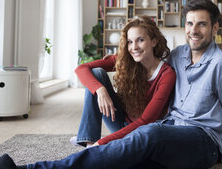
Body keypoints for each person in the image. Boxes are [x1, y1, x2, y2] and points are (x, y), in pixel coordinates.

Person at [0, 0, 222, 169]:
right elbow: (138, 59)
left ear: (215, 28)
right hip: (170, 130)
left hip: (204, 140)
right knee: (128, 155)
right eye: (189, 24)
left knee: (146, 135)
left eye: (201, 24)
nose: (193, 30)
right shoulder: (177, 55)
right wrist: (104, 82)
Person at [70, 16, 176, 148]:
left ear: (154, 41)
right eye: (130, 42)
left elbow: (146, 120)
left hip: (142, 131)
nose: (134, 47)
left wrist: (102, 142)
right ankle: (89, 144)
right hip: (119, 122)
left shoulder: (166, 74)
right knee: (97, 73)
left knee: (111, 143)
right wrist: (100, 90)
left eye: (140, 40)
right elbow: (81, 69)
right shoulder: (126, 59)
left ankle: (95, 143)